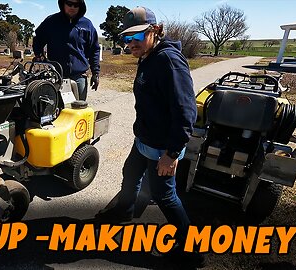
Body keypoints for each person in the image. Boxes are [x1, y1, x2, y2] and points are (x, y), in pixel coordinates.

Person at [95, 6, 204, 268]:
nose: (129, 44)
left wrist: (171, 153)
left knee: (165, 196)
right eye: (126, 38)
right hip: (143, 139)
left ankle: (193, 251)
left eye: (136, 37)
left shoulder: (169, 60)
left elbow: (186, 111)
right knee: (130, 173)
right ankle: (125, 211)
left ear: (154, 31)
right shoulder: (148, 55)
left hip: (160, 147)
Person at [32, 0, 100, 101]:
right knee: (55, 110)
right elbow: (38, 39)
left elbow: (94, 49)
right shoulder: (51, 21)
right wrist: (39, 55)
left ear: (80, 6)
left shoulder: (87, 24)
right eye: (69, 3)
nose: (72, 7)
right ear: (63, 4)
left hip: (79, 77)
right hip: (55, 76)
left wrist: (96, 73)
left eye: (76, 5)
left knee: (79, 111)